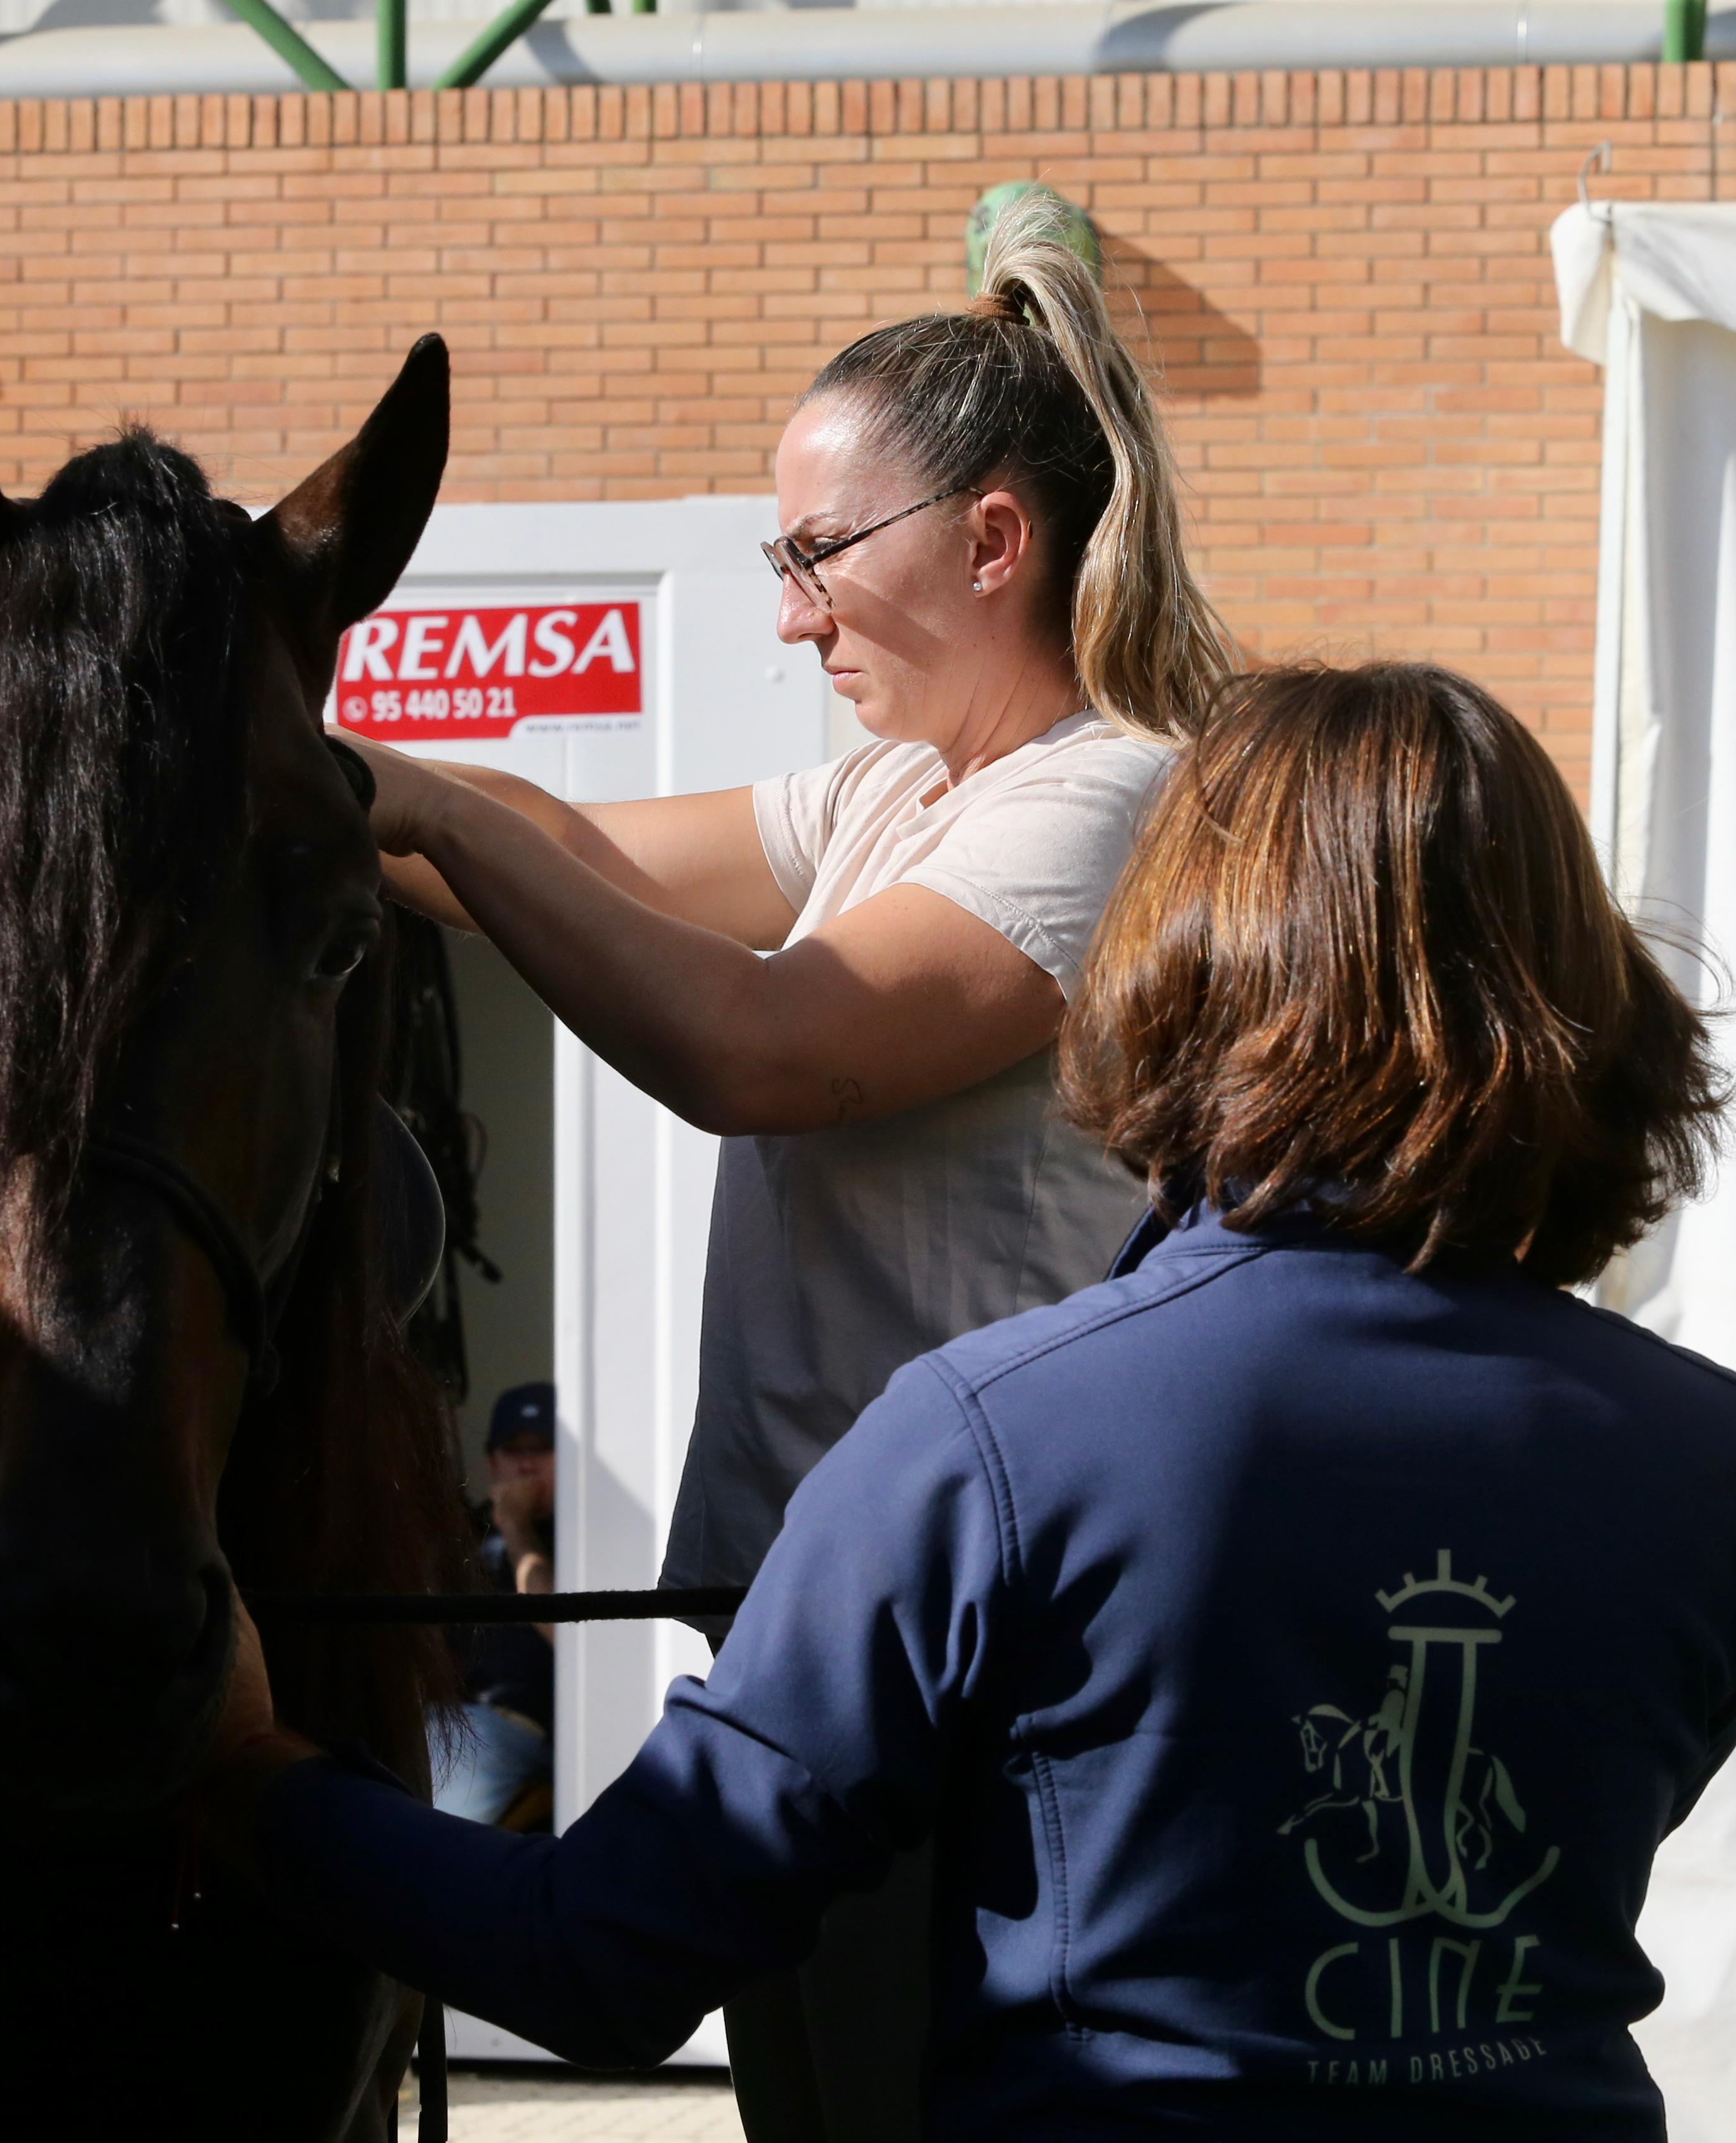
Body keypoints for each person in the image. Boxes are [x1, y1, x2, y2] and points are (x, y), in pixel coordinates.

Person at [204, 662, 1736, 2138]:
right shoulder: (1714, 1451)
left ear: (1179, 951)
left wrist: (255, 1765)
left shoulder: (997, 1438)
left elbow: (600, 1950)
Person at [337, 191, 1230, 2137]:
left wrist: (399, 802)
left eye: (819, 552)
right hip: (835, 1640)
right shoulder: (903, 786)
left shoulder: (1105, 800)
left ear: (994, 541)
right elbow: (557, 848)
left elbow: (758, 1050)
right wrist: (317, 772)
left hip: (982, 1671)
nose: (790, 610)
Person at [431, 1382, 560, 1830]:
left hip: (524, 1728)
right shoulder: (462, 1532)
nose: (526, 1464)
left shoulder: (584, 1528)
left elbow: (571, 1634)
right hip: (446, 1715)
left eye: (542, 1449)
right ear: (491, 1463)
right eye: (513, 1450)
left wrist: (517, 1527)